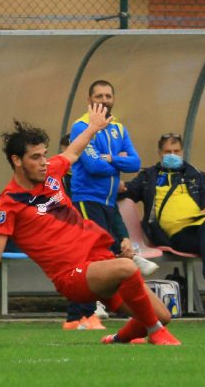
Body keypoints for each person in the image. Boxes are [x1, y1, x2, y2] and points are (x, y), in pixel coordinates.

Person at [0, 105, 181, 346]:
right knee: (127, 268)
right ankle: (156, 332)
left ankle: (119, 338)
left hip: (98, 262)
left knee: (163, 315)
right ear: (16, 160)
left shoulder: (52, 172)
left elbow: (73, 152)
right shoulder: (8, 204)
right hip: (72, 276)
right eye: (35, 157)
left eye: (44, 154)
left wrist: (94, 127)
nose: (43, 162)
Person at [119, 133, 205, 318]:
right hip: (173, 237)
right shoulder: (148, 176)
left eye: (176, 151)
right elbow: (129, 191)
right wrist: (116, 187)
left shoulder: (195, 174)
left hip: (199, 230)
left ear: (182, 152)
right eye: (168, 151)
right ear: (160, 153)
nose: (172, 155)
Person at [64, 80, 142, 330]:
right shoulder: (81, 126)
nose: (104, 99)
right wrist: (117, 161)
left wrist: (110, 160)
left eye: (108, 95)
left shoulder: (119, 128)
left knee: (107, 252)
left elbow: (136, 163)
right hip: (87, 198)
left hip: (109, 201)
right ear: (90, 100)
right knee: (94, 256)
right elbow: (93, 166)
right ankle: (89, 311)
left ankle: (79, 315)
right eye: (99, 95)